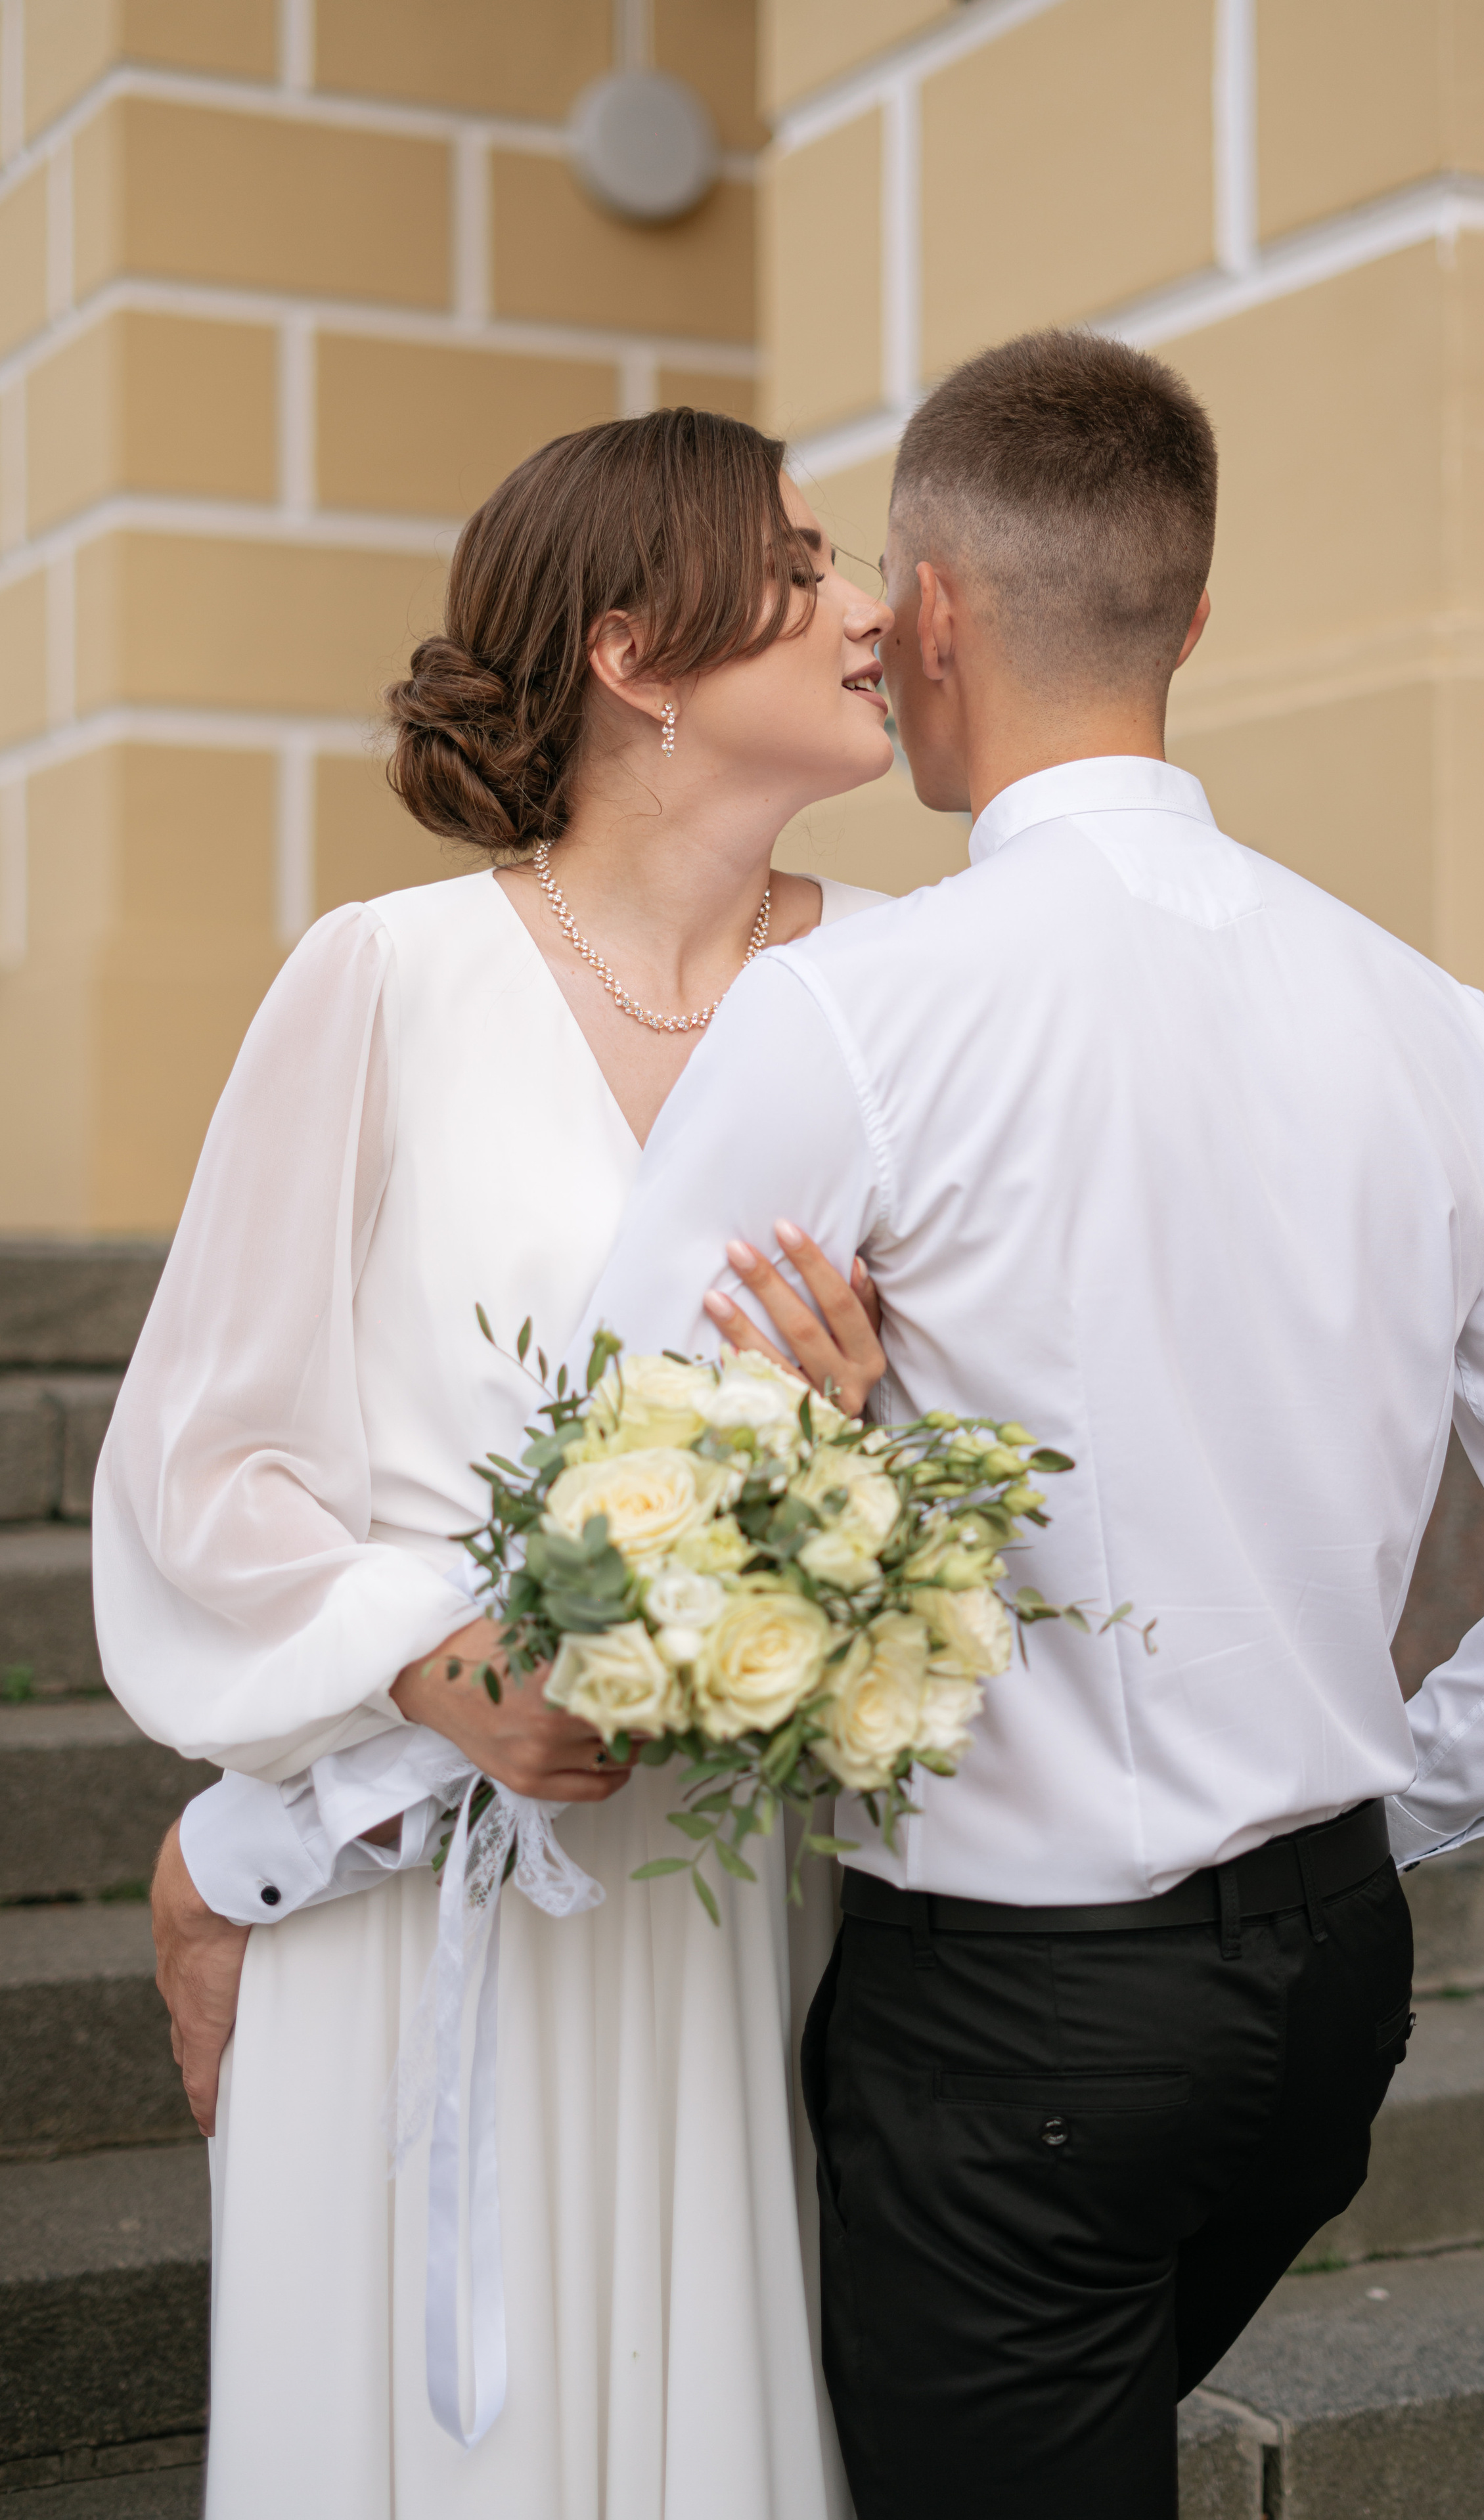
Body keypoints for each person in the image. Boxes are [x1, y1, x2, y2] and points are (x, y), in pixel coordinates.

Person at [541, 331, 1484, 2519]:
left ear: (933, 615)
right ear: (1196, 618)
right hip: (1333, 2002)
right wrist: (1383, 1813)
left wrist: (817, 1444)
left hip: (1023, 2031)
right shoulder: (1445, 1028)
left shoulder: (853, 1012)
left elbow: (612, 1519)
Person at [95, 409, 900, 2520]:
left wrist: (861, 1450)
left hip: (725, 1892)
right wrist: (453, 1669)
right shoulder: (389, 977)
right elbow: (208, 1454)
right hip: (415, 1874)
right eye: (804, 566)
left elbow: (1016, 1430)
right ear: (637, 654)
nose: (871, 608)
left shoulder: (904, 984)